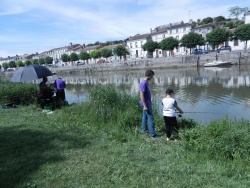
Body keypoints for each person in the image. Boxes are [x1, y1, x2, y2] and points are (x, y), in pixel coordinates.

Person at [139, 69, 157, 138]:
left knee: (145, 117)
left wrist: (150, 101)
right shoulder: (143, 83)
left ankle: (144, 130)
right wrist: (145, 105)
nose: (152, 78)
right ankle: (153, 134)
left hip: (147, 102)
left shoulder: (147, 82)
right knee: (150, 118)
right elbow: (141, 95)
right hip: (146, 104)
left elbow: (148, 93)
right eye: (152, 76)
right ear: (148, 75)